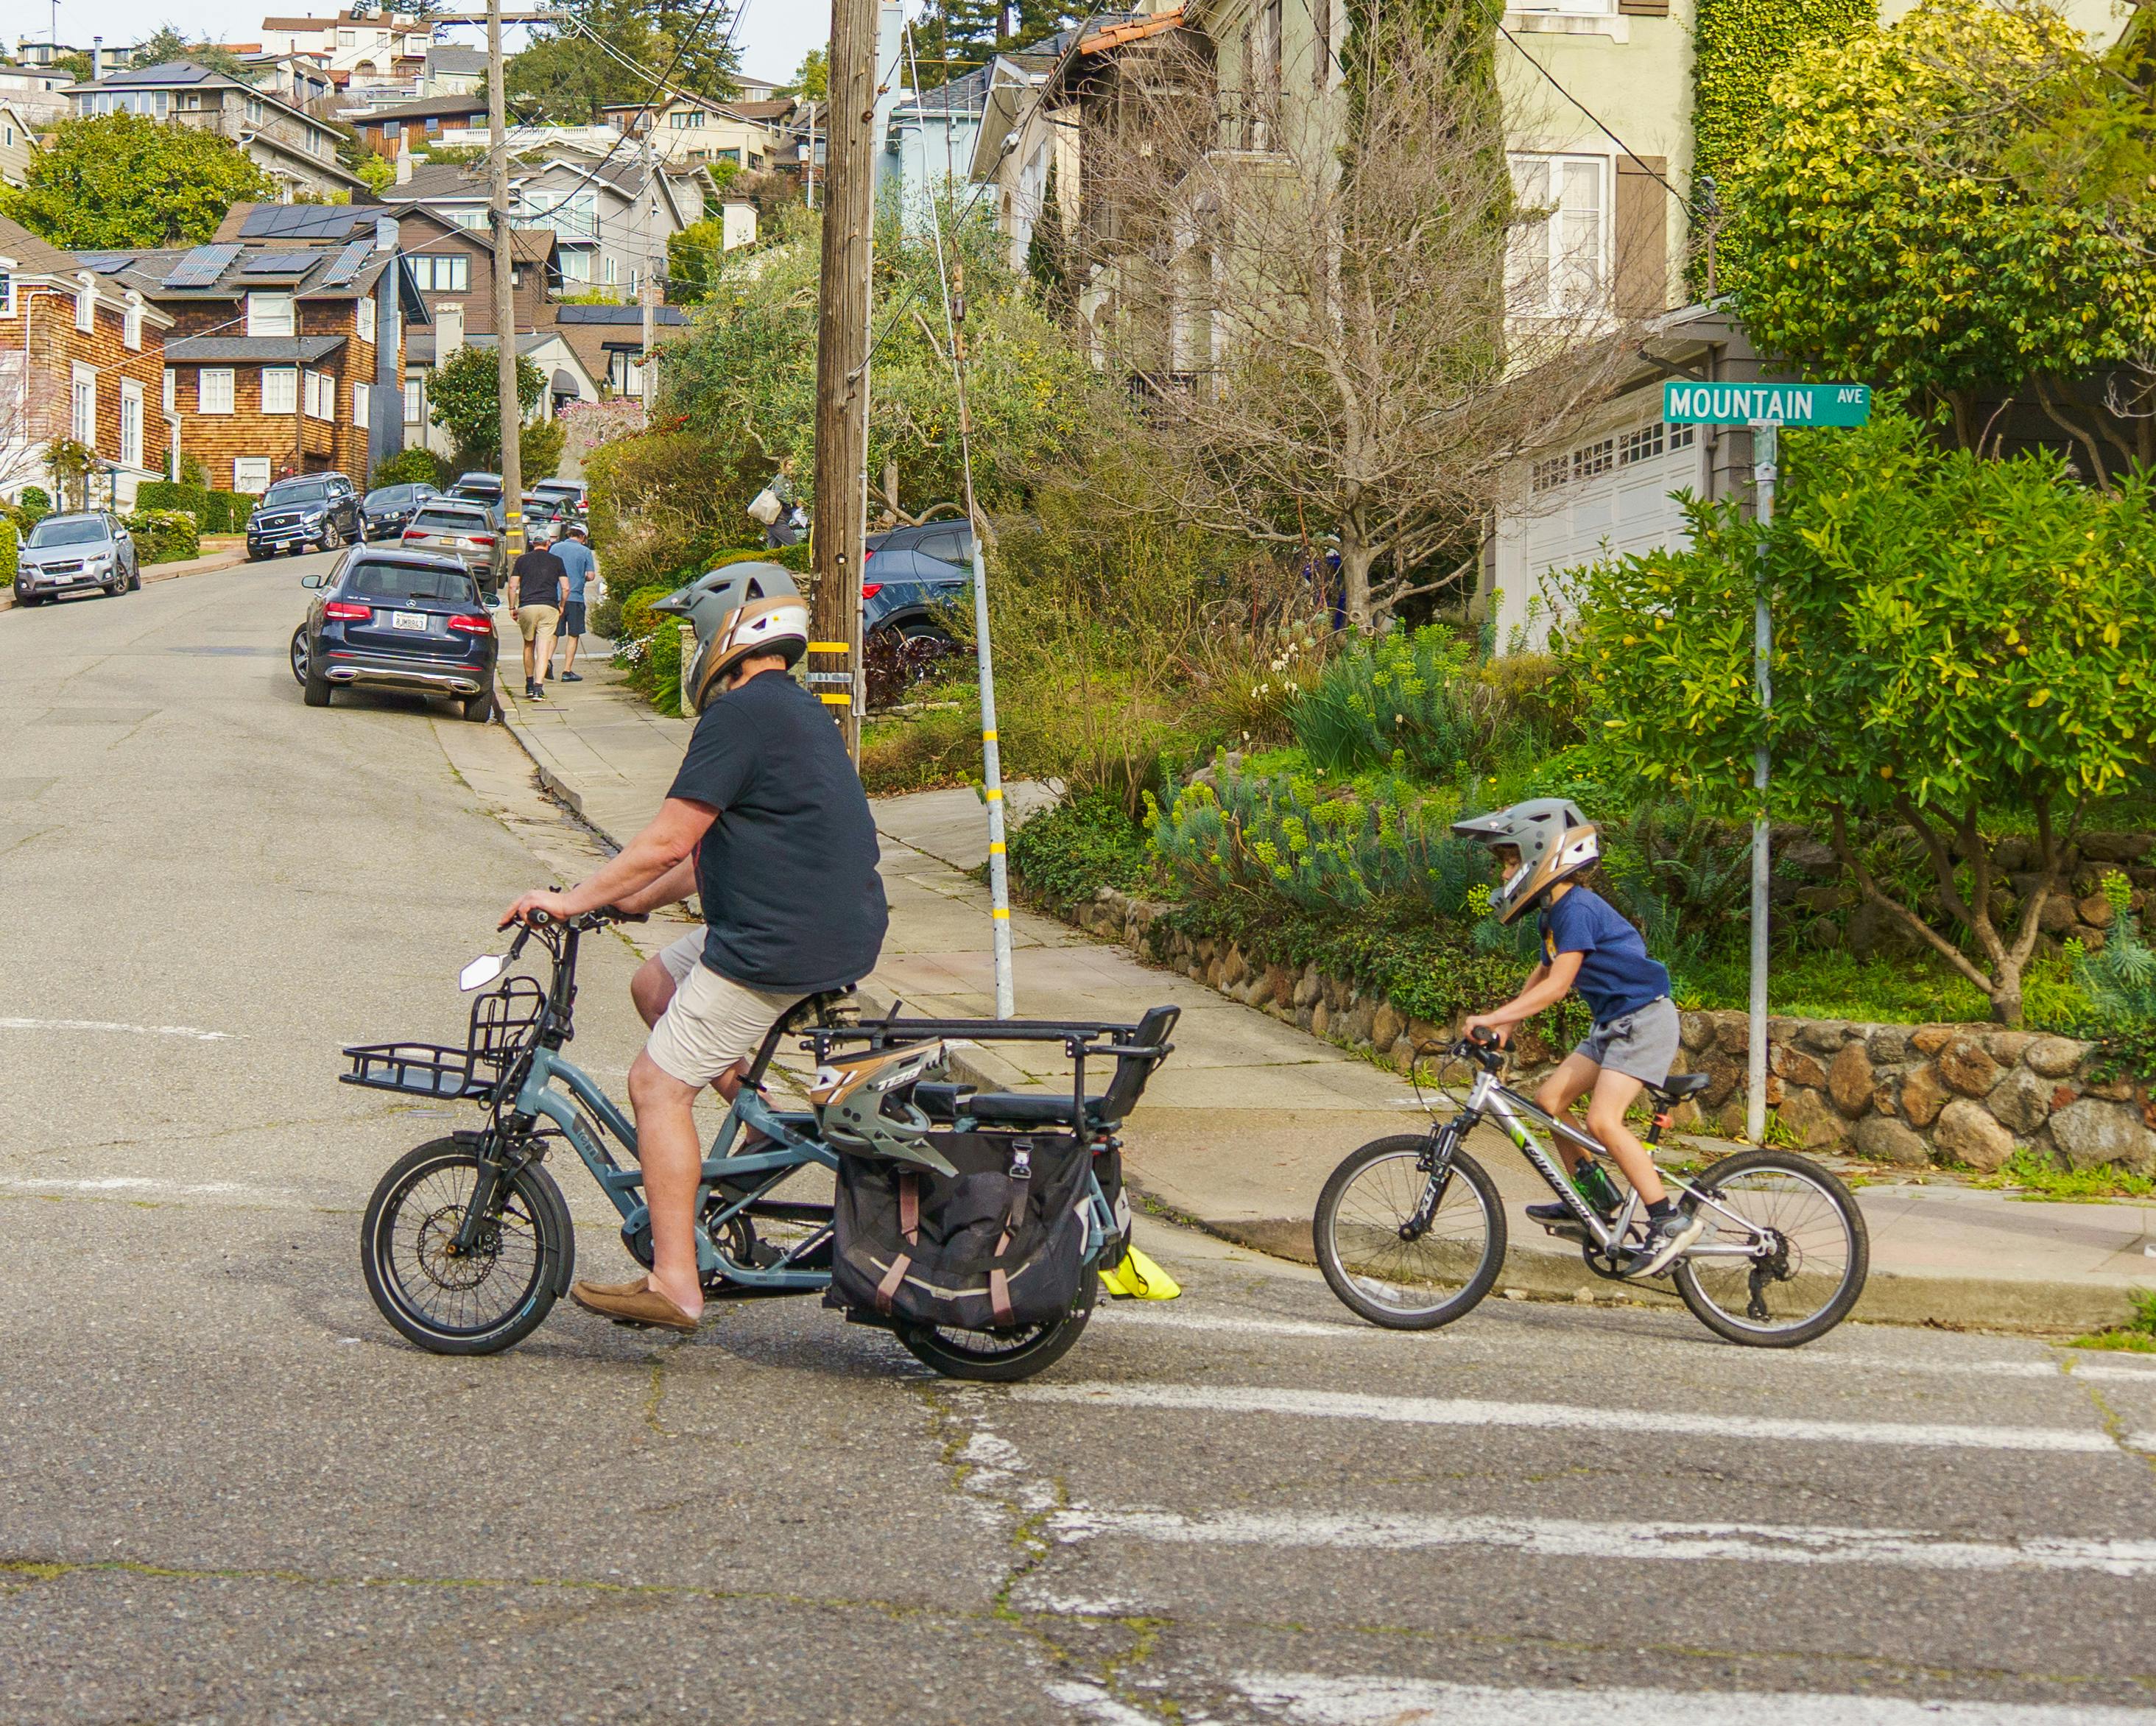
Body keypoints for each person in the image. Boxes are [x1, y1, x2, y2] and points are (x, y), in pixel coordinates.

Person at [501, 563, 888, 1334]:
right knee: (654, 986)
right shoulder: (794, 711)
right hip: (815, 923)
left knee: (655, 1086)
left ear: (732, 634)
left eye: (696, 632)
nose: (694, 647)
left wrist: (571, 897)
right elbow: (696, 857)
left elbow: (670, 836)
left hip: (778, 939)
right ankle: (760, 1115)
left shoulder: (740, 717)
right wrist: (619, 903)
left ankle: (676, 1281)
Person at [1451, 799, 1700, 1278]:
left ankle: (1668, 1221)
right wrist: (1506, 1025)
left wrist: (1494, 1014)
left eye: (1509, 862)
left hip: (1643, 1019)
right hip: (1612, 1023)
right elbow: (1542, 970)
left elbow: (1559, 986)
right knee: (1548, 1101)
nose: (1504, 875)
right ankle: (1594, 1202)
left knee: (1605, 1121)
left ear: (1540, 856)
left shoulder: (1577, 908)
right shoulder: (1554, 913)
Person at [507, 536, 567, 702]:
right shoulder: (557, 561)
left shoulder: (522, 560)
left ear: (533, 544)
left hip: (527, 607)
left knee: (528, 644)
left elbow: (513, 586)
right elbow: (566, 587)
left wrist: (512, 607)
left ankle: (528, 683)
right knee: (543, 648)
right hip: (549, 607)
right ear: (548, 543)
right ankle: (538, 688)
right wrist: (561, 605)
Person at [551, 521, 597, 683]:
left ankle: (547, 661)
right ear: (583, 537)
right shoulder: (585, 551)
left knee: (554, 633)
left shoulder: (555, 548)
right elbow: (591, 576)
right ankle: (566, 671)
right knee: (573, 635)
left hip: (556, 597)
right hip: (575, 597)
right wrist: (580, 577)